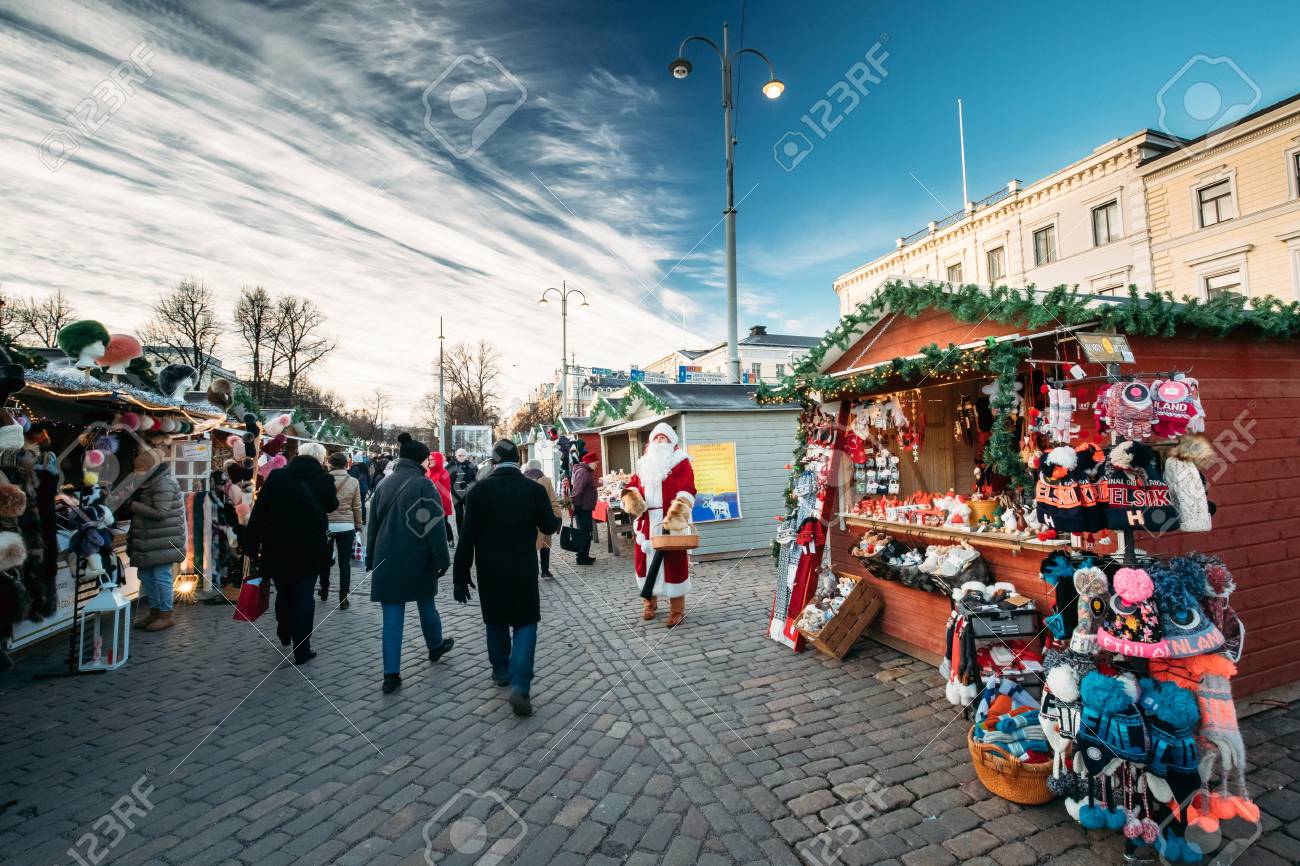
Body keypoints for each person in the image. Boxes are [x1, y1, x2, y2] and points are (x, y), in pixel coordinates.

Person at [453, 440, 561, 717]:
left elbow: (466, 537)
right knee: (526, 622)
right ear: (518, 461)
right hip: (523, 567)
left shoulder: (479, 492)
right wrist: (556, 518)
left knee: (496, 619)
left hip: (489, 568)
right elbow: (549, 526)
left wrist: (460, 575)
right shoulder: (534, 490)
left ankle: (501, 670)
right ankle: (520, 684)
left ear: (494, 462)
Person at [367, 433, 455, 694]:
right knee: (426, 603)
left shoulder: (384, 484)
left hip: (386, 557)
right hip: (417, 556)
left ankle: (391, 674)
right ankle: (435, 645)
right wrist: (442, 558)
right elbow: (434, 526)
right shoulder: (423, 485)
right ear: (420, 460)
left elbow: (373, 525)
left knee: (392, 618)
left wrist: (371, 557)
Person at [242, 441, 337, 665]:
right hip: (310, 547)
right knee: (304, 594)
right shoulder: (324, 479)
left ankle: (284, 631)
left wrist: (251, 544)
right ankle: (302, 648)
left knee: (284, 590)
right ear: (320, 459)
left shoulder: (277, 477)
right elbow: (331, 505)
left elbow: (260, 511)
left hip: (277, 545)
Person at [622, 423, 696, 627]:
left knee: (674, 565)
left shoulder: (680, 461)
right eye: (656, 438)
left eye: (663, 438)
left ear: (671, 441)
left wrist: (676, 517)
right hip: (646, 523)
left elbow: (688, 489)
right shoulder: (644, 463)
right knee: (644, 564)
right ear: (651, 442)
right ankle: (649, 603)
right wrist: (632, 498)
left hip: (669, 520)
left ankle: (677, 610)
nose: (659, 441)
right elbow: (632, 486)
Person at [126, 438, 186, 632]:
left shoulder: (163, 482)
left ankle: (165, 614)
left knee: (160, 576)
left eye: (140, 469)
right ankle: (154, 611)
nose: (137, 472)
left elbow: (161, 513)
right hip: (150, 539)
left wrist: (132, 505)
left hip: (163, 540)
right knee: (146, 575)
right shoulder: (149, 482)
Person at [320, 451, 363, 609]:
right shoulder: (353, 481)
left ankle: (324, 589)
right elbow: (357, 506)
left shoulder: (323, 479)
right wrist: (359, 524)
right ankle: (343, 597)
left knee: (325, 559)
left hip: (327, 524)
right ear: (346, 464)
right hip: (346, 525)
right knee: (345, 562)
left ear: (330, 464)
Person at [523, 459, 561, 578]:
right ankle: (545, 570)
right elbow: (553, 500)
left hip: (527, 519)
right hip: (544, 517)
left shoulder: (522, 480)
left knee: (530, 546)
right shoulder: (546, 480)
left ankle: (531, 572)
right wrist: (558, 516)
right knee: (545, 544)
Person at [569, 451, 599, 565]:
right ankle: (581, 557)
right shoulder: (583, 472)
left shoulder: (586, 471)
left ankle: (584, 555)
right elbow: (577, 490)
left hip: (585, 506)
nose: (597, 465)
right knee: (584, 532)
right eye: (596, 462)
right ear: (590, 462)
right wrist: (576, 506)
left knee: (586, 531)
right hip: (582, 507)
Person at [425, 452, 455, 547]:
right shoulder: (427, 471)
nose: (430, 461)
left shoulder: (443, 472)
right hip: (428, 502)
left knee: (443, 522)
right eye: (429, 459)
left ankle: (450, 539)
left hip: (441, 503)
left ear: (438, 460)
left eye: (432, 459)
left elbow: (445, 491)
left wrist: (440, 505)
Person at [448, 448, 477, 532]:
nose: (461, 457)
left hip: (468, 493)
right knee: (459, 515)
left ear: (466, 456)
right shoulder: (451, 465)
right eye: (459, 455)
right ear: (456, 456)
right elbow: (445, 476)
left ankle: (469, 532)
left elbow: (475, 478)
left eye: (463, 455)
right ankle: (460, 532)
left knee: (469, 514)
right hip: (456, 494)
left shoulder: (470, 465)